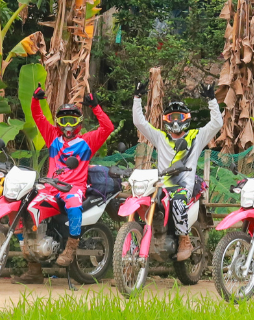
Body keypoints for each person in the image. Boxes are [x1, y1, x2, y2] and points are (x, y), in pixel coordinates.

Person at [21, 88, 114, 279]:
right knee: (30, 209)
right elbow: (38, 117)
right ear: (58, 123)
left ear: (79, 122)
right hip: (50, 188)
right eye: (64, 120)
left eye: (72, 120)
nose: (68, 125)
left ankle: (72, 246)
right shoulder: (53, 137)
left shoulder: (87, 141)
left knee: (73, 206)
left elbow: (107, 128)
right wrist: (35, 99)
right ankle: (33, 266)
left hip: (73, 189)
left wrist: (95, 106)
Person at [131, 82, 222, 261]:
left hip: (183, 185)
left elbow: (217, 123)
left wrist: (212, 100)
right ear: (165, 119)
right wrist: (137, 99)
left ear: (186, 118)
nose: (175, 121)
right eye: (171, 117)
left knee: (179, 202)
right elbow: (139, 122)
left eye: (179, 116)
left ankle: (184, 239)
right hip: (161, 185)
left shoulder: (196, 137)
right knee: (139, 202)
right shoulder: (160, 137)